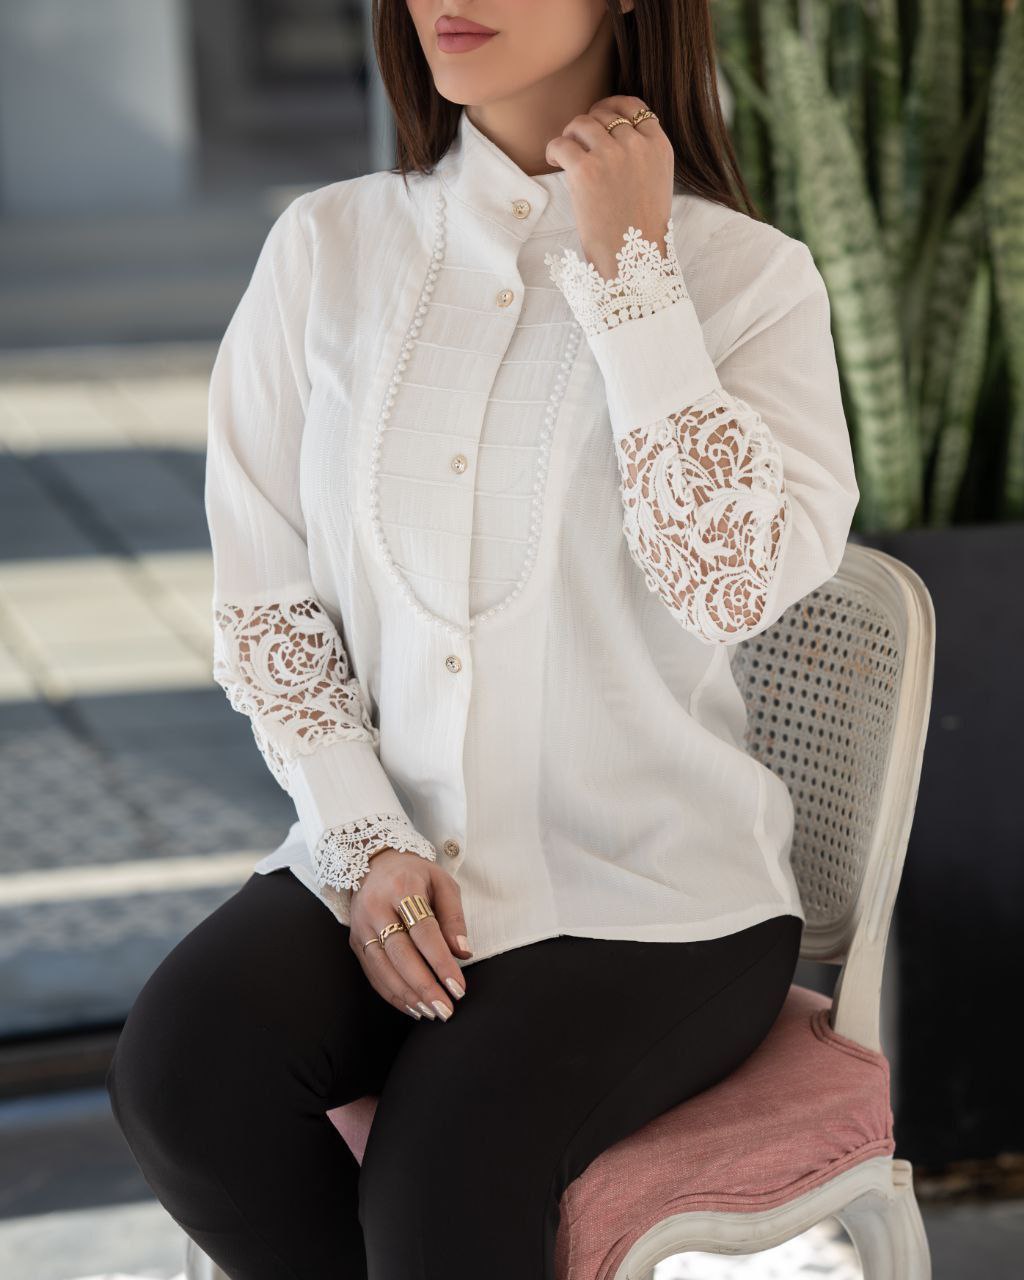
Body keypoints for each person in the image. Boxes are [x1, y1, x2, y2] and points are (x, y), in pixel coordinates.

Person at [105, 2, 860, 1278]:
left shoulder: (747, 278)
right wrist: (365, 837)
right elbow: (267, 600)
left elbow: (727, 587)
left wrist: (631, 270)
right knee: (186, 1070)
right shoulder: (326, 248)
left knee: (440, 1185)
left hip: (654, 899)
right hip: (387, 855)